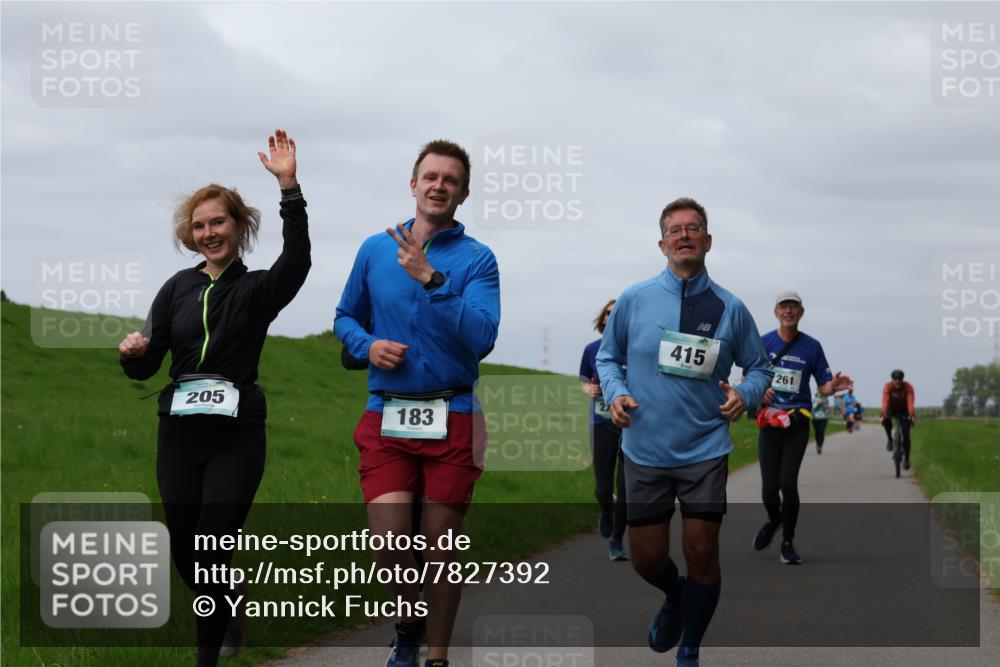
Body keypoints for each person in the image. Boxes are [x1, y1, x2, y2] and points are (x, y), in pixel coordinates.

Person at [118, 130, 310, 667]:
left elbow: (296, 262)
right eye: (199, 226)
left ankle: (207, 657)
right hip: (179, 432)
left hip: (236, 436)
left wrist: (289, 187)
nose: (209, 233)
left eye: (218, 222)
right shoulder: (177, 288)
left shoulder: (258, 290)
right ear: (190, 233)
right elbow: (148, 363)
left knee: (212, 542)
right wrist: (133, 352)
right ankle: (230, 604)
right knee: (183, 545)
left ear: (239, 226)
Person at [334, 139, 500, 667]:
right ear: (413, 184)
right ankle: (408, 626)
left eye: (450, 180)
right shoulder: (373, 249)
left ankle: (436, 655)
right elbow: (344, 318)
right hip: (387, 413)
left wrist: (432, 278)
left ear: (463, 193)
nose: (438, 185)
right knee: (389, 545)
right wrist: (367, 346)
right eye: (430, 176)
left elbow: (483, 336)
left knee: (440, 551)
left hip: (453, 417)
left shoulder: (478, 261)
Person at [596, 197, 772, 667]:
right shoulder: (634, 299)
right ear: (662, 243)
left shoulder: (730, 307)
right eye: (675, 230)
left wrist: (745, 395)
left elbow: (759, 368)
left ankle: (690, 647)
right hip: (644, 447)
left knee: (702, 550)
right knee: (647, 559)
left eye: (694, 228)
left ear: (708, 240)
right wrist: (614, 393)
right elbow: (607, 357)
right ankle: (676, 597)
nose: (684, 235)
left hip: (704, 449)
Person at [752, 292, 853, 565]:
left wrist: (834, 387)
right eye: (784, 307)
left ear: (801, 312)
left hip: (797, 420)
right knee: (769, 489)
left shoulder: (812, 346)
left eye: (793, 307)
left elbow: (823, 385)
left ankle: (787, 541)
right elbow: (752, 377)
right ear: (776, 312)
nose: (788, 311)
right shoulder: (764, 342)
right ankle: (774, 521)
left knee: (788, 483)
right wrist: (760, 393)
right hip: (770, 421)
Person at [579, 299, 628, 561]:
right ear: (604, 319)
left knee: (627, 488)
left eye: (618, 313)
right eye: (609, 313)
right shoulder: (591, 350)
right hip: (601, 423)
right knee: (603, 488)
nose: (613, 317)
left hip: (632, 426)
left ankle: (617, 541)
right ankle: (606, 512)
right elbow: (583, 380)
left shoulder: (636, 350)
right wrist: (587, 389)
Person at [881, 370, 916, 469]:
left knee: (906, 433)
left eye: (899, 380)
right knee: (886, 421)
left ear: (902, 380)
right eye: (895, 380)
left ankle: (907, 460)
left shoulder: (908, 387)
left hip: (905, 410)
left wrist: (911, 414)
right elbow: (885, 400)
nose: (897, 382)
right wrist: (883, 413)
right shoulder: (888, 387)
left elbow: (910, 401)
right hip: (891, 409)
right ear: (892, 380)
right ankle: (890, 439)